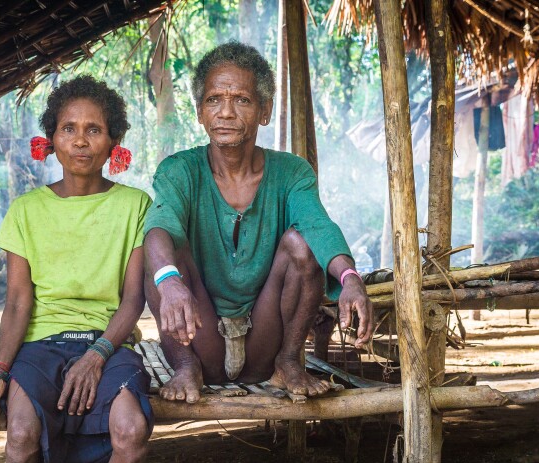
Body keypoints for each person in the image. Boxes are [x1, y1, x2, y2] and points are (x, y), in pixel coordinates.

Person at [0, 75, 152, 463]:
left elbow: (133, 299)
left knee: (133, 431)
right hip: (40, 345)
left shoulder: (134, 206)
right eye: (68, 128)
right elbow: (17, 301)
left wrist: (97, 354)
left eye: (94, 129)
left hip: (108, 340)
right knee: (21, 436)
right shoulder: (27, 210)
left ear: (113, 141)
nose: (80, 140)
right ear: (49, 138)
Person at [143, 41, 374, 404]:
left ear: (264, 111)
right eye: (214, 99)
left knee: (302, 244)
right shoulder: (179, 170)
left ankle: (289, 364)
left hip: (263, 344)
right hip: (200, 339)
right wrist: (169, 281)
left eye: (242, 100)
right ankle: (185, 366)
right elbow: (159, 228)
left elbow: (318, 226)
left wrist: (350, 278)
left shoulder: (291, 172)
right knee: (157, 253)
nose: (226, 112)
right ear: (200, 112)